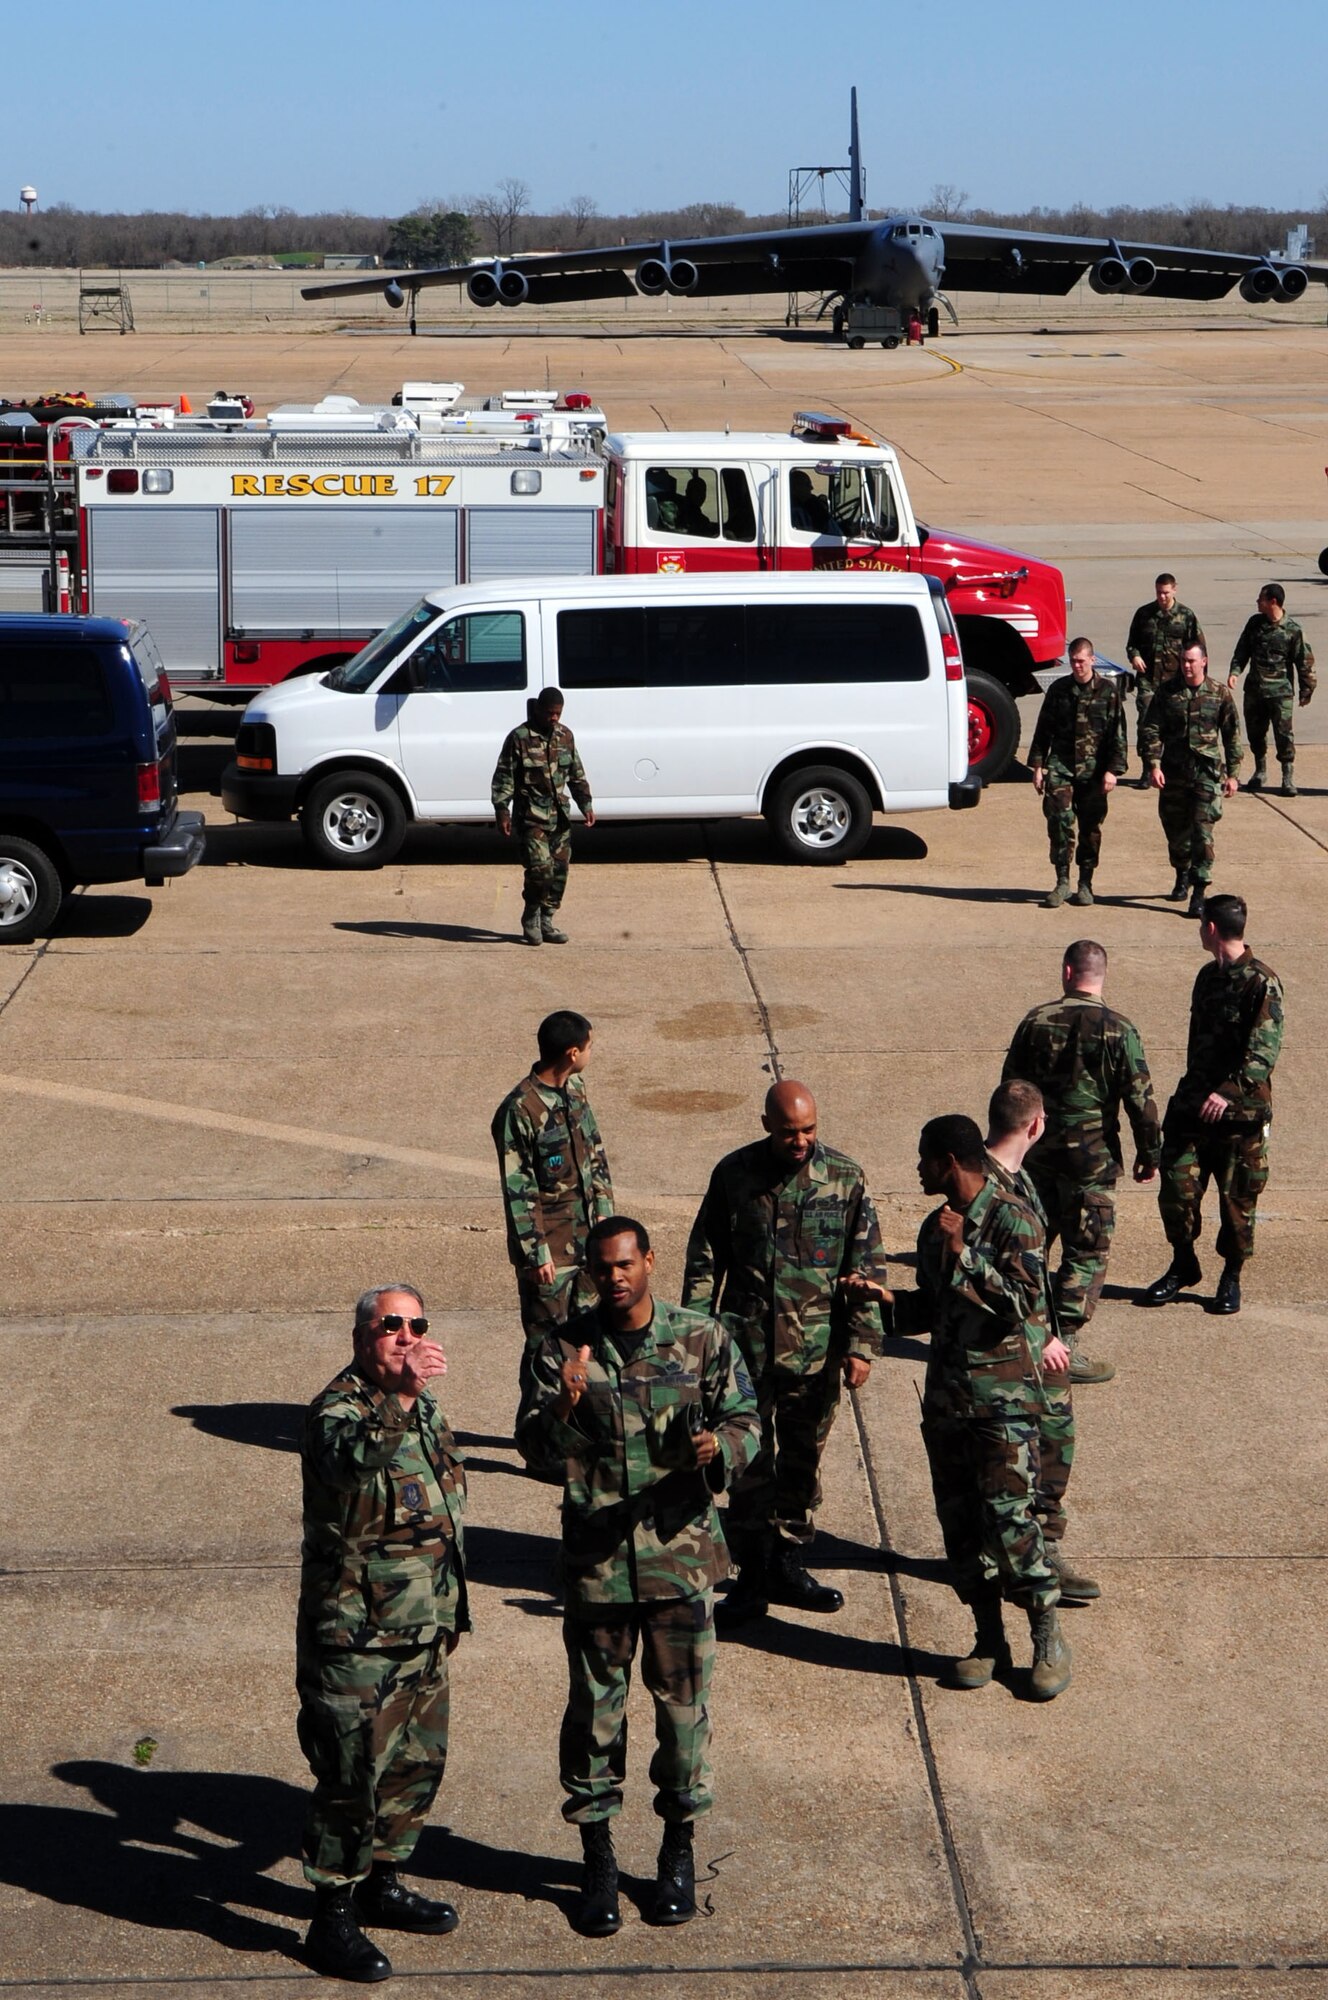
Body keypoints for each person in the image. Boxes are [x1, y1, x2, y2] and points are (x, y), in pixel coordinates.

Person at [515, 1217, 759, 1937]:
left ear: (650, 1262)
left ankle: (677, 1853)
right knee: (594, 1721)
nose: (614, 1277)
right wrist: (562, 1402)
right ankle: (597, 1863)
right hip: (598, 1569)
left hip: (680, 1563)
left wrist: (720, 1448)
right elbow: (531, 1447)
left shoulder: (701, 1337)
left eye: (626, 1264)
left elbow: (747, 1418)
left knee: (683, 1726)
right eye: (601, 1268)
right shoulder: (561, 1348)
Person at [846, 1116, 1073, 1699]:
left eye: (925, 1158)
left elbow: (1023, 1305)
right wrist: (885, 1299)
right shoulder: (933, 1228)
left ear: (949, 1160)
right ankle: (988, 1638)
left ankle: (1046, 1637)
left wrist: (964, 1252)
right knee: (961, 1529)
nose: (918, 1168)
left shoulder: (1011, 1218)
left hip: (1003, 1406)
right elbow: (933, 1307)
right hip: (948, 1403)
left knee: (1012, 1524)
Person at [296, 1284, 469, 1984]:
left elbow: (443, 1508)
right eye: (389, 1326)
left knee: (413, 1768)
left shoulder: (422, 1405)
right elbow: (352, 1467)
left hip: (422, 1628)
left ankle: (384, 1883)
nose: (405, 1336)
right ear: (361, 1337)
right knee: (350, 1780)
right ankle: (331, 1918)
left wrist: (452, 1611)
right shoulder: (337, 1410)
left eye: (415, 1325)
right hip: (356, 1638)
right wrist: (400, 1398)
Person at [681, 1079, 886, 1627]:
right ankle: (751, 1575)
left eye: (809, 1129)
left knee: (801, 1464)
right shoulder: (735, 1176)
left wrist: (863, 1345)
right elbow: (706, 1259)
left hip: (815, 1355)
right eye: (790, 1131)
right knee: (746, 1464)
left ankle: (789, 1563)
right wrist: (696, 1340)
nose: (800, 1141)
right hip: (743, 1352)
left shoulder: (845, 1179)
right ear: (767, 1124)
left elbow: (865, 1269)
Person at [1002, 940, 1161, 1384]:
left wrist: (1005, 1149)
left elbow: (1010, 1090)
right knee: (1086, 1250)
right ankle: (1064, 1346)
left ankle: (1018, 1331)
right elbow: (1140, 1100)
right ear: (1100, 975)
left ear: (1067, 972)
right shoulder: (1119, 1029)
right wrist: (1150, 1154)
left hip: (1034, 1156)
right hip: (1092, 1160)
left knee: (1027, 1242)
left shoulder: (1035, 1021)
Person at [1142, 894, 1283, 1317]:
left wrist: (1226, 1093)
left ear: (1211, 928)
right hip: (1192, 1106)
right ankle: (1183, 1264)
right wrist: (1201, 1093)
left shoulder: (1262, 982)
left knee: (1237, 1201)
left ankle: (1231, 1276)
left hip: (1240, 1116)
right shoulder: (1207, 976)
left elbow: (1262, 1054)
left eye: (1201, 921)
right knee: (1176, 1189)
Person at [984, 1080, 1094, 1607]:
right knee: (1038, 1450)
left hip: (1030, 1343)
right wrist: (1042, 1336)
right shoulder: (988, 1188)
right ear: (1036, 1124)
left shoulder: (1016, 1179)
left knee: (1048, 1444)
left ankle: (1037, 1545)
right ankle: (1035, 1553)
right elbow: (993, 1286)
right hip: (1008, 1355)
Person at [491, 1009, 614, 1356]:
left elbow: (595, 1152)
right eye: (589, 1046)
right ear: (572, 1053)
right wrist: (536, 1254)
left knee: (592, 1338)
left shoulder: (574, 1089)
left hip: (588, 1243)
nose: (592, 1052)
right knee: (547, 1348)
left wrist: (605, 1214)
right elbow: (518, 1189)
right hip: (550, 1255)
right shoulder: (520, 1111)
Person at [1139, 640, 1242, 918]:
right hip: (1173, 774)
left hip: (1206, 776)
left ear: (1204, 662)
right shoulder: (1168, 692)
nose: (1186, 666)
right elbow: (1151, 728)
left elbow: (1232, 734)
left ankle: (1199, 891)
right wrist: (1154, 764)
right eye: (1184, 661)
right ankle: (1181, 873)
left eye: (1191, 661)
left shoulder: (1218, 693)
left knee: (1202, 834)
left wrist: (1233, 774)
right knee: (1176, 835)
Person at [1027, 637, 1127, 908]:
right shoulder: (1059, 690)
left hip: (1094, 770)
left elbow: (1118, 734)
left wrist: (1113, 770)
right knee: (1059, 821)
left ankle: (1085, 882)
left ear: (1093, 660)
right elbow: (1043, 729)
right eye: (1073, 661)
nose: (1078, 666)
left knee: (1090, 827)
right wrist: (1038, 766)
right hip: (1061, 766)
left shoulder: (1108, 692)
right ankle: (1062, 881)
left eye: (1082, 661)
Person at [491, 686, 595, 946]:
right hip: (531, 817)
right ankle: (531, 914)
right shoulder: (519, 738)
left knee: (559, 872)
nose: (554, 718)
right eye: (550, 713)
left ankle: (547, 919)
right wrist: (502, 809)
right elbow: (505, 776)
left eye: (558, 713)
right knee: (541, 870)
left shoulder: (565, 736)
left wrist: (586, 803)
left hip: (559, 817)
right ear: (538, 709)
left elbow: (576, 773)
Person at [1228, 582, 1316, 797]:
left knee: (1284, 735)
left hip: (1280, 693)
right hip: (1255, 691)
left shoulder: (1293, 630)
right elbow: (1242, 650)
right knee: (1256, 733)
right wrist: (1235, 672)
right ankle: (1260, 770)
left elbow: (1304, 662)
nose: (1258, 602)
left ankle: (1287, 776)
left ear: (1273, 602)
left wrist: (1307, 690)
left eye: (1261, 599)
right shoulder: (1255, 624)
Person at [1125, 572, 1204, 774]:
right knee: (1146, 723)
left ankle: (1171, 766)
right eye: (1159, 592)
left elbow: (1199, 648)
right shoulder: (1144, 614)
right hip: (1148, 680)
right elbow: (1132, 643)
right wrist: (1134, 656)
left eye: (1166, 593)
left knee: (1175, 724)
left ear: (1174, 590)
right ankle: (1148, 767)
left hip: (1175, 680)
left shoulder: (1186, 616)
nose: (1162, 597)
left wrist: (1197, 681)